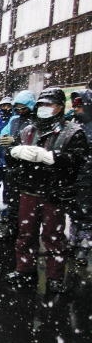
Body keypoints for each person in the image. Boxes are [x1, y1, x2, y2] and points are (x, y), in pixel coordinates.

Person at [7, 87, 89, 294]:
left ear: (60, 107)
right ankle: (24, 269)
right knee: (25, 234)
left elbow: (78, 161)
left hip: (54, 193)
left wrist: (52, 157)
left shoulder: (73, 132)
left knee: (53, 237)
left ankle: (55, 277)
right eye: (41, 105)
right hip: (29, 191)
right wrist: (14, 152)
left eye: (49, 105)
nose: (44, 109)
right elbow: (14, 159)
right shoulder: (28, 130)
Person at [0, 90, 36, 235]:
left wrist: (17, 141)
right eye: (18, 108)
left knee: (26, 203)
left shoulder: (35, 120)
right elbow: (4, 133)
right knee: (12, 200)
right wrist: (5, 140)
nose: (20, 111)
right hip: (12, 165)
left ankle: (25, 231)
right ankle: (13, 227)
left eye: (23, 108)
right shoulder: (14, 120)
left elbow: (36, 141)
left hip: (28, 168)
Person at [69, 89, 92, 268]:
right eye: (74, 105)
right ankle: (73, 241)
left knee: (86, 213)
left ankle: (84, 244)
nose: (76, 109)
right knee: (75, 210)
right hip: (73, 176)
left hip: (87, 177)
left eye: (79, 105)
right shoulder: (73, 124)